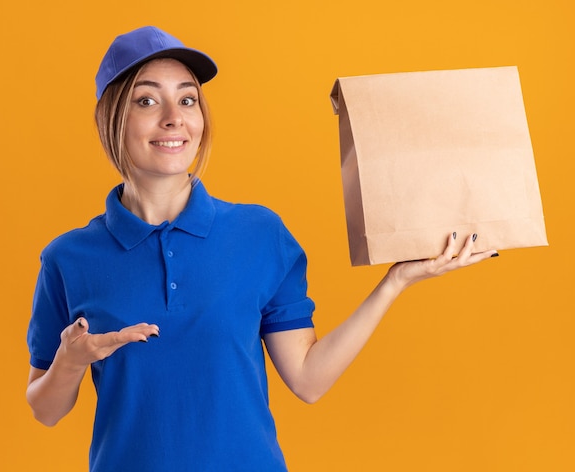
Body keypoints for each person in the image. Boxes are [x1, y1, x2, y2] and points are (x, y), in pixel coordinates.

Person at [26, 26, 498, 472]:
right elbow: (46, 410)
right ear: (112, 119)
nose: (174, 117)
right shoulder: (68, 259)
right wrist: (69, 362)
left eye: (187, 99)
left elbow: (309, 381)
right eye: (147, 100)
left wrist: (395, 282)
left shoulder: (258, 233)